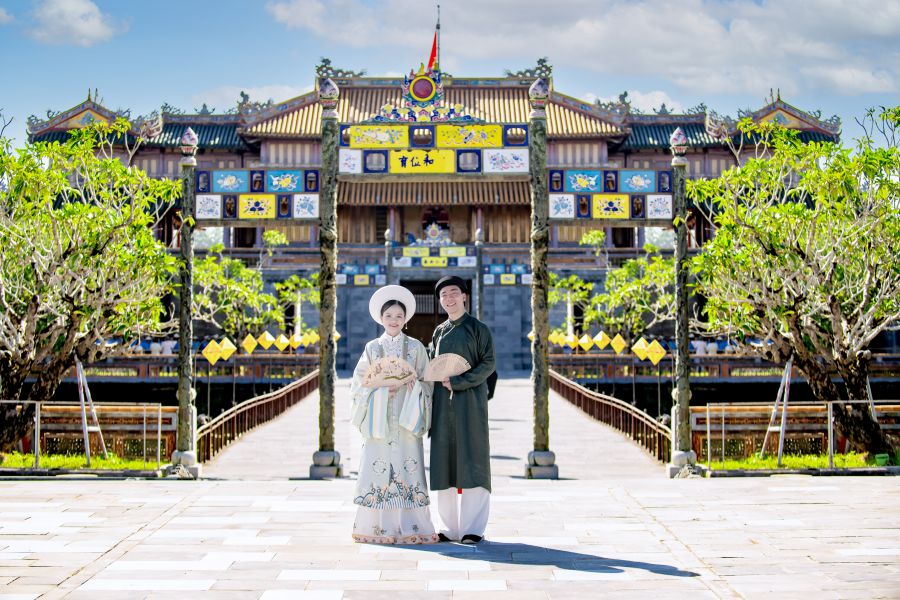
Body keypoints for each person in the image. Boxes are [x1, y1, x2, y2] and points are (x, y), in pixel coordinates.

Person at [348, 285, 438, 544]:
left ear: (406, 319)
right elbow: (360, 384)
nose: (394, 320)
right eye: (389, 316)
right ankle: (376, 528)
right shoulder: (372, 349)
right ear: (381, 318)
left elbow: (427, 382)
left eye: (399, 316)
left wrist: (415, 388)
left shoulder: (417, 348)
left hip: (408, 419)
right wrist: (379, 392)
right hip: (379, 420)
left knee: (408, 467)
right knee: (379, 468)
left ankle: (413, 526)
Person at [429, 276, 496, 544]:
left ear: (465, 296)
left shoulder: (478, 329)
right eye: (444, 294)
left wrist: (459, 381)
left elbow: (488, 363)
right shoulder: (438, 331)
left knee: (473, 461)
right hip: (443, 408)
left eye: (454, 293)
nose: (449, 298)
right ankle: (447, 528)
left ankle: (473, 529)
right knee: (444, 463)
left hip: (471, 405)